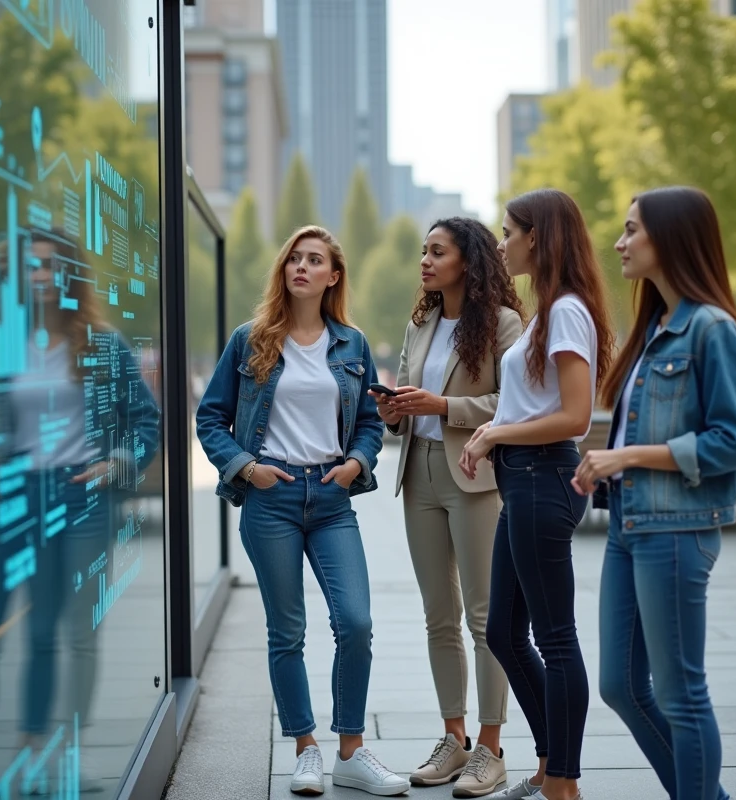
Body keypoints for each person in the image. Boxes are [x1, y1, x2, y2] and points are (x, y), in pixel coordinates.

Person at [0, 228, 162, 799]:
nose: (39, 276)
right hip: (7, 497)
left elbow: (147, 426)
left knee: (55, 634)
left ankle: (50, 755)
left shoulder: (102, 346)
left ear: (70, 275)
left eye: (50, 265)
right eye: (27, 267)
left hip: (78, 497)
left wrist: (117, 464)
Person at [195, 226, 405, 796]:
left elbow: (367, 422)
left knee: (355, 623)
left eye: (315, 260)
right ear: (284, 271)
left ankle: (351, 750)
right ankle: (305, 748)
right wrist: (245, 467)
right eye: (295, 258)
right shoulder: (251, 340)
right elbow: (209, 417)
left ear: (333, 276)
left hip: (332, 499)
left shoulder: (352, 345)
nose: (302, 267)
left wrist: (358, 463)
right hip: (272, 498)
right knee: (287, 631)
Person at [571, 187, 736, 800]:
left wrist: (628, 456)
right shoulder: (655, 329)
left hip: (677, 530)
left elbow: (733, 442)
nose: (619, 244)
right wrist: (605, 466)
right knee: (621, 686)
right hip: (631, 524)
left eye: (632, 231)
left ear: (670, 237)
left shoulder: (712, 330)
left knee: (682, 692)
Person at [459, 189, 615, 800]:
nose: (502, 243)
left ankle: (563, 782)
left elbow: (576, 415)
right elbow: (544, 404)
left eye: (509, 232)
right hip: (523, 477)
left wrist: (498, 430)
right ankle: (553, 760)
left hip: (540, 478)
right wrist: (498, 432)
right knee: (503, 632)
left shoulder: (568, 311)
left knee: (554, 636)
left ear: (537, 238)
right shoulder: (551, 310)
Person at [370, 218, 524, 797]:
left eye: (438, 251)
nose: (425, 261)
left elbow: (514, 402)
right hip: (420, 474)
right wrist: (396, 411)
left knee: (484, 618)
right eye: (423, 251)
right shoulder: (422, 324)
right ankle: (454, 739)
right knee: (438, 615)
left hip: (475, 476)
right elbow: (413, 397)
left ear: (470, 261)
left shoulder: (505, 325)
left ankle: (491, 747)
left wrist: (444, 405)